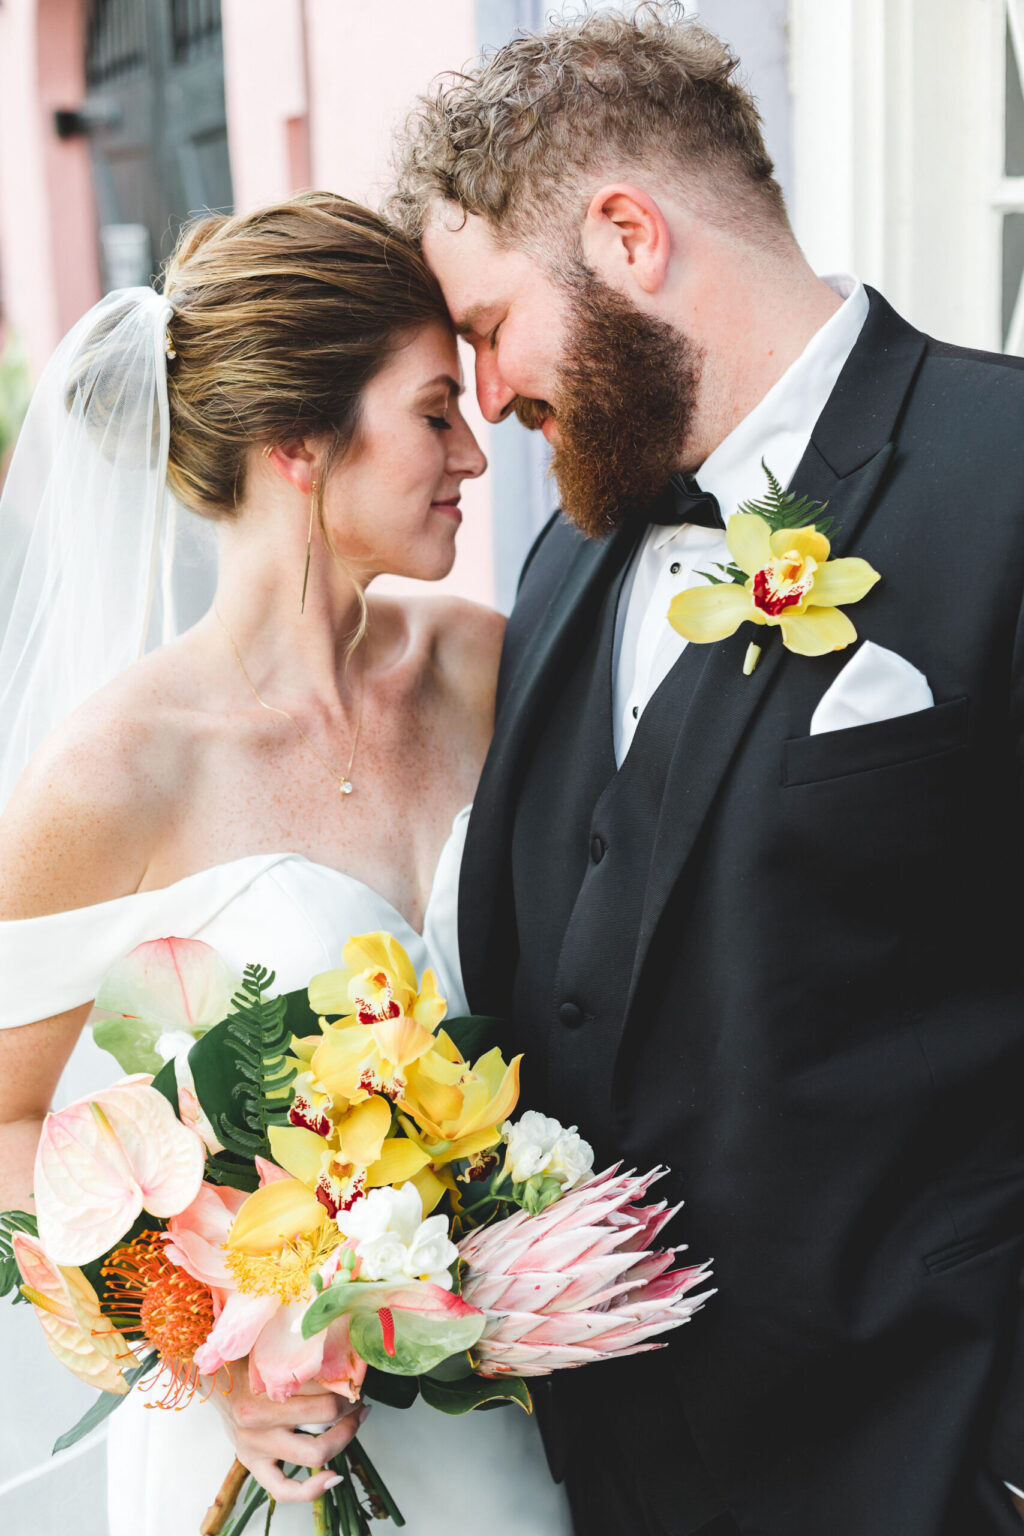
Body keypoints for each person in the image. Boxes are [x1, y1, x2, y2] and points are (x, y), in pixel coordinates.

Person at [387, 6, 1024, 1534]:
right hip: (615, 1482)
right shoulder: (561, 566)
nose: (486, 401)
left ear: (626, 236)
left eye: (487, 328)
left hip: (939, 1455)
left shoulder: (1007, 474)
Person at [0, 193, 573, 1536]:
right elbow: (1, 1116)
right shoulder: (115, 773)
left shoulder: (484, 666)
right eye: (435, 411)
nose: (475, 457)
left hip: (524, 1423)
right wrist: (205, 1346)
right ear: (298, 443)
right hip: (269, 1457)